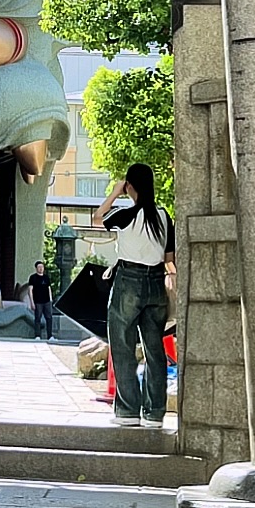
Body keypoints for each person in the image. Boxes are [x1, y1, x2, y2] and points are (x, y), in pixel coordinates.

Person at [94, 163, 175, 428]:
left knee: (123, 346)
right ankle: (155, 414)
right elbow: (169, 259)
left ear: (130, 185)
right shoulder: (163, 216)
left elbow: (97, 218)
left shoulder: (125, 215)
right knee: (155, 350)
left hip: (128, 281)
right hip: (156, 282)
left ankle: (128, 411)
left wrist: (116, 193)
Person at [26, 261, 56, 341]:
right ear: (36, 268)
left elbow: (49, 288)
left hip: (46, 301)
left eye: (42, 267)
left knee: (49, 318)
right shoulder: (33, 278)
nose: (41, 269)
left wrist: (50, 300)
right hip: (37, 301)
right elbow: (30, 290)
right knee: (38, 318)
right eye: (39, 267)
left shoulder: (46, 277)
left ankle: (50, 336)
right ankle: (37, 335)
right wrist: (31, 302)